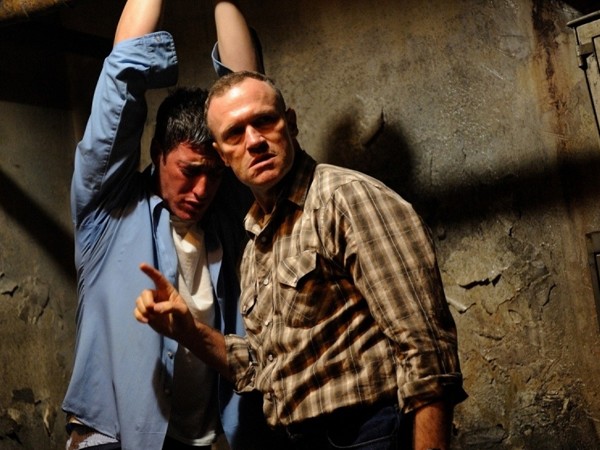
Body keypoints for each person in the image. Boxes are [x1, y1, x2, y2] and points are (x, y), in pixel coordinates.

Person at [134, 70, 468, 450]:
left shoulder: (346, 199)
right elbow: (262, 366)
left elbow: (427, 352)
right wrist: (188, 331)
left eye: (264, 121)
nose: (254, 141)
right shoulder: (256, 239)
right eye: (235, 134)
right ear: (222, 155)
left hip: (367, 433)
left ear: (290, 123)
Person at [62, 1, 274, 449]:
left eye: (214, 174)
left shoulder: (229, 218)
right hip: (114, 436)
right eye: (189, 171)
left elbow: (249, 90)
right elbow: (119, 80)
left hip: (208, 438)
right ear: (158, 153)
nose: (202, 189)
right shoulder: (108, 213)